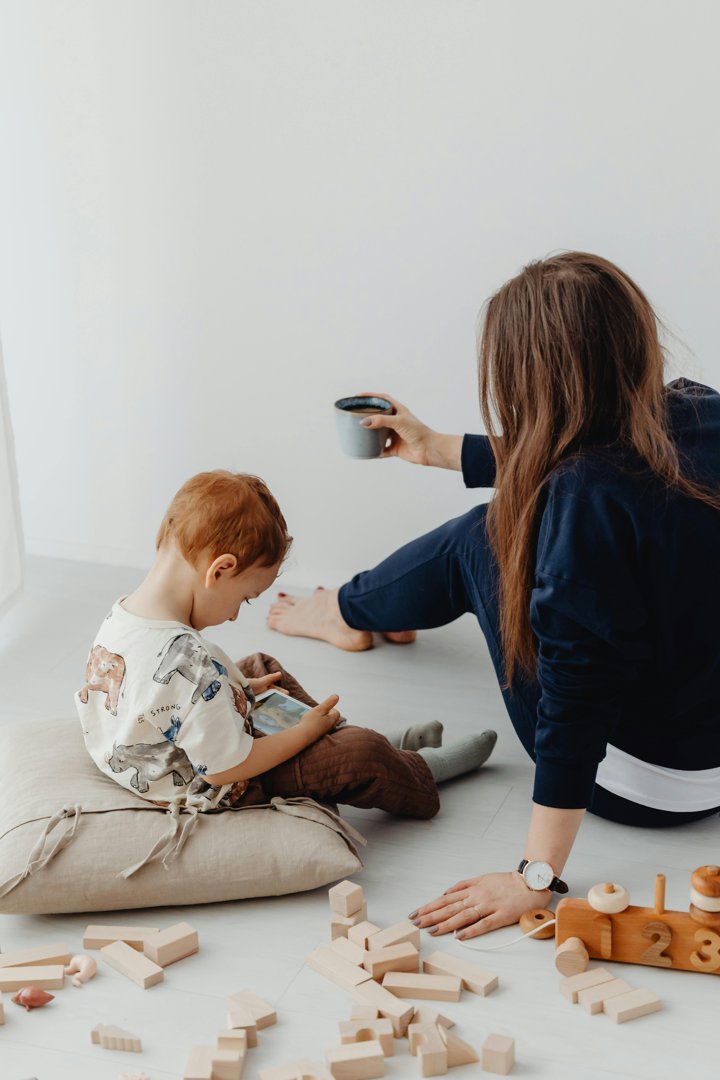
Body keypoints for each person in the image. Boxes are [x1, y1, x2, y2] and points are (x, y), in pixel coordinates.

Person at [268, 251, 720, 939]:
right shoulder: (701, 409)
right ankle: (363, 609)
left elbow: (574, 701)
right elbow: (590, 441)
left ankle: (342, 610)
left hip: (638, 786)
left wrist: (534, 877)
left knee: (485, 534)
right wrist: (442, 448)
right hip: (710, 756)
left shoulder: (584, 497)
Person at [75, 470, 496, 819]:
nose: (236, 615)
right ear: (220, 570)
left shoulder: (124, 613)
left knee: (257, 665)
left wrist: (236, 689)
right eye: (244, 598)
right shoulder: (194, 665)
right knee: (360, 755)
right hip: (221, 783)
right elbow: (227, 770)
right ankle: (413, 766)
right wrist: (302, 733)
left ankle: (338, 737)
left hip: (172, 744)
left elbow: (157, 693)